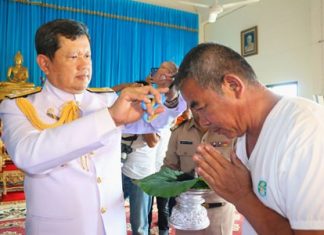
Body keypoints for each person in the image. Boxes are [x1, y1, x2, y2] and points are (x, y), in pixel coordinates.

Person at [0, 19, 186, 235]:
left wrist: (172, 98)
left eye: (87, 55)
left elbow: (153, 121)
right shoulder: (19, 105)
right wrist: (109, 118)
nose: (84, 65)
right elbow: (28, 156)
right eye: (73, 57)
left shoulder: (105, 99)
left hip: (110, 227)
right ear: (44, 63)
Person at [174, 42, 324, 234]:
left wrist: (242, 196)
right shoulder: (244, 133)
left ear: (233, 85)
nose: (203, 122)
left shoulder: (306, 131)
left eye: (202, 108)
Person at [122, 62, 178, 235]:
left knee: (139, 225)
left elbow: (153, 141)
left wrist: (142, 117)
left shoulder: (161, 109)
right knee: (111, 214)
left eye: (160, 69)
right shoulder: (135, 103)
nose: (154, 71)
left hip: (143, 174)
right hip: (123, 169)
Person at [162, 108, 235, 235]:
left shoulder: (230, 131)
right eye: (195, 103)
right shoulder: (179, 132)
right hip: (187, 212)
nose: (201, 108)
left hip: (220, 211)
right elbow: (169, 168)